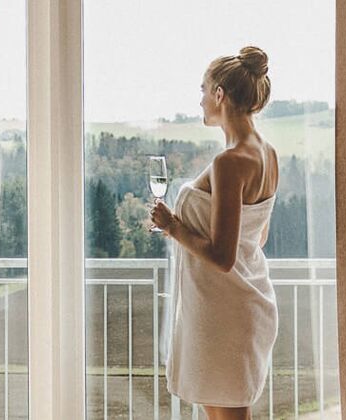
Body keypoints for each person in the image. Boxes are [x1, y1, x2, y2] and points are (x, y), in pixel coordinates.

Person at [149, 46, 280, 420]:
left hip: (224, 312)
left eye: (204, 90)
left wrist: (173, 226)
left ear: (220, 94)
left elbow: (223, 257)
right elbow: (258, 238)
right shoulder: (267, 154)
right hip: (244, 301)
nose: (201, 100)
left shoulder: (230, 161)